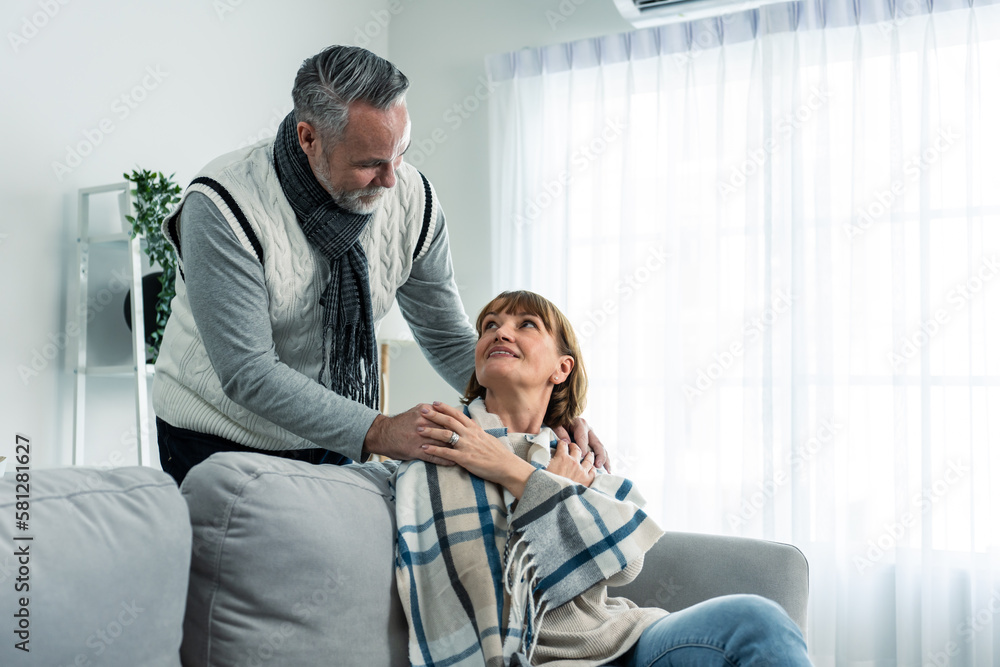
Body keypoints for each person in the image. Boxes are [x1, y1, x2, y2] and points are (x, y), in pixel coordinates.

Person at [151, 45, 606, 484]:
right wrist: (382, 430)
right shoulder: (222, 206)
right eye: (371, 164)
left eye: (401, 152)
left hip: (336, 431)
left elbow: (446, 336)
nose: (392, 180)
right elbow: (249, 372)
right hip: (214, 436)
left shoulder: (412, 197)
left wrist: (554, 413)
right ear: (308, 137)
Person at [394, 290, 813, 666]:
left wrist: (517, 473)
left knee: (757, 620)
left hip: (630, 640)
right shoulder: (443, 450)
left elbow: (628, 563)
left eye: (526, 324)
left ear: (562, 368)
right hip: (538, 657)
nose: (501, 332)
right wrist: (557, 492)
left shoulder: (576, 455)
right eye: (490, 325)